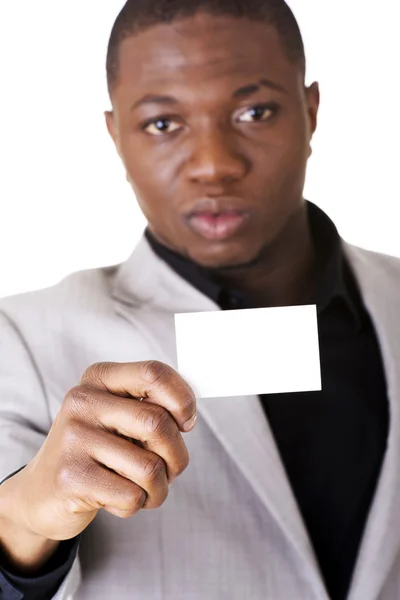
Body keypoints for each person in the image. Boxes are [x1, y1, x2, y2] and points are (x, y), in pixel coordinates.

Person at [0, 1, 398, 599]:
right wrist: (26, 516)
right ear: (116, 137)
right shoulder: (20, 338)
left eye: (255, 111)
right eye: (163, 123)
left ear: (311, 113)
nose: (215, 165)